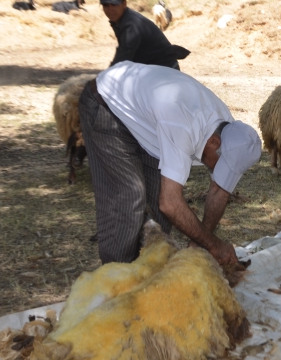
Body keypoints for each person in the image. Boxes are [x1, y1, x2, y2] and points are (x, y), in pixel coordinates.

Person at [78, 60, 262, 266]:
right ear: (213, 142)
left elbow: (219, 191)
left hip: (149, 121)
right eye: (220, 165)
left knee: (158, 206)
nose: (218, 172)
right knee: (129, 199)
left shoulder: (228, 129)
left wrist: (199, 241)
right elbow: (170, 203)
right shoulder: (184, 126)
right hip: (106, 104)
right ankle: (117, 281)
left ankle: (150, 269)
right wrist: (213, 244)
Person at [99, 0, 189, 70]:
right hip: (151, 68)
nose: (110, 9)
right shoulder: (120, 20)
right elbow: (123, 52)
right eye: (106, 5)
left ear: (124, 4)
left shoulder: (131, 25)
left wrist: (103, 77)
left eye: (114, 5)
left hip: (164, 70)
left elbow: (123, 59)